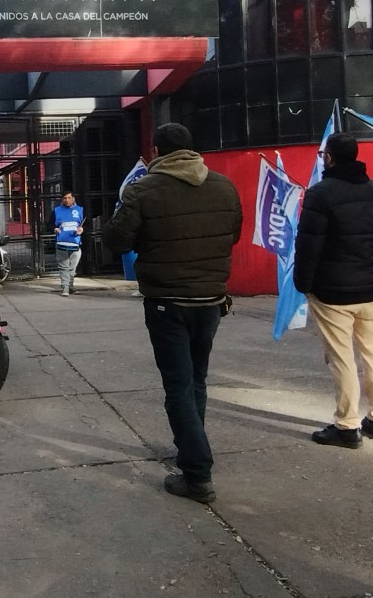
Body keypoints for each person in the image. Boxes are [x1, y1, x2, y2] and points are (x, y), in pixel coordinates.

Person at [106, 123, 242, 504]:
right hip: (211, 300)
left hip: (167, 302)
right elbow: (232, 234)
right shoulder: (224, 186)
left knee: (179, 385)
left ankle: (197, 473)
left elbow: (117, 240)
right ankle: (191, 448)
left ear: (156, 151)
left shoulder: (143, 190)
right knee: (197, 379)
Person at [293, 132, 373, 449]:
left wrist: (303, 284)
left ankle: (347, 425)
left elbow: (308, 245)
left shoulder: (320, 194)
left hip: (333, 289)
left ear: (329, 158)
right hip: (372, 286)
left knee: (341, 358)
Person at [53, 191, 84, 296]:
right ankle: (65, 287)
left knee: (72, 268)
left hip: (75, 244)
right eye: (65, 198)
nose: (67, 200)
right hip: (62, 243)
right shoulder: (57, 211)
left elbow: (87, 223)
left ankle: (70, 286)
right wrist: (55, 229)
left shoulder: (80, 210)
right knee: (64, 267)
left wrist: (82, 229)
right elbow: (50, 224)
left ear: (73, 198)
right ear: (62, 199)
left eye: (69, 198)